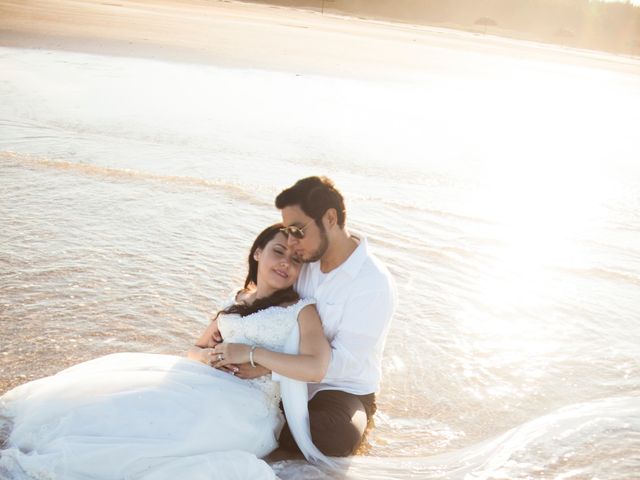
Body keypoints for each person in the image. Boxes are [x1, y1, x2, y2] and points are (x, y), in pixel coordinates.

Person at [0, 224, 331, 480]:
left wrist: (252, 354)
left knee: (161, 437)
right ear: (258, 253)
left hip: (249, 407)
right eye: (278, 252)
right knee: (124, 403)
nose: (286, 263)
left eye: (296, 260)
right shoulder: (236, 300)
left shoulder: (301, 310)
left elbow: (316, 367)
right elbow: (195, 349)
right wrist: (211, 358)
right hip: (203, 381)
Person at [209, 177, 397, 457]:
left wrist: (265, 365)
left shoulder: (372, 283)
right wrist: (230, 327)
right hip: (279, 374)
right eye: (287, 231)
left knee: (331, 437)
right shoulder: (303, 261)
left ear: (330, 218)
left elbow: (345, 362)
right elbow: (268, 298)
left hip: (340, 389)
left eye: (298, 230)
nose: (292, 242)